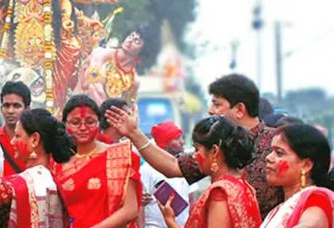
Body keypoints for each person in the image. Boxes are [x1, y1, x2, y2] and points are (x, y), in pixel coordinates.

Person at [113, 73, 282, 219]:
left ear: (239, 110)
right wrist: (134, 134)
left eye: (217, 104)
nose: (210, 110)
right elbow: (173, 166)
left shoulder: (279, 142)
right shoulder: (216, 146)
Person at [144, 116, 261, 228]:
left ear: (214, 152)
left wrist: (172, 224)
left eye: (197, 149)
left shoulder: (221, 192)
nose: (193, 156)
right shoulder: (241, 185)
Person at [52, 94, 141, 228]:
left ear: (99, 124)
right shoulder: (57, 163)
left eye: (90, 122)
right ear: (65, 124)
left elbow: (130, 210)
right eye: (75, 122)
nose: (83, 127)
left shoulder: (120, 156)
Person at [245, 123, 334, 228]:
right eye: (271, 151)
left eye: (279, 153)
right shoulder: (277, 211)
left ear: (306, 165)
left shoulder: (318, 198)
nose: (268, 158)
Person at [139, 121, 193, 228]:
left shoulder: (187, 166)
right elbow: (139, 204)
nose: (181, 142)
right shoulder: (146, 170)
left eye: (181, 137)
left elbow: (191, 200)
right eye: (176, 138)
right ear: (164, 143)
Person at [74, 25, 146, 105]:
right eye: (131, 36)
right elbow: (93, 85)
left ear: (143, 50)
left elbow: (129, 106)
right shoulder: (100, 54)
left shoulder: (134, 81)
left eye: (136, 41)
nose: (130, 41)